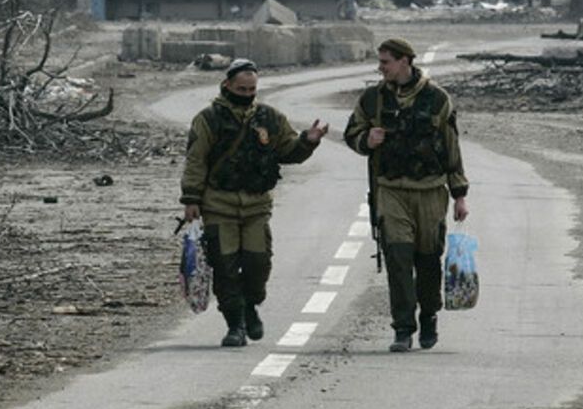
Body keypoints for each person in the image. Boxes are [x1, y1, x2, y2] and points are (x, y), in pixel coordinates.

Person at [181, 58, 329, 347]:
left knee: (258, 263)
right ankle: (234, 324)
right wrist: (191, 198)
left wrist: (308, 141)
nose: (247, 93)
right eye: (241, 88)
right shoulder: (208, 119)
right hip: (218, 204)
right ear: (227, 85)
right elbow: (195, 160)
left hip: (256, 205)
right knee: (224, 266)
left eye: (252, 89)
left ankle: (251, 305)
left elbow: (288, 151)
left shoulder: (270, 118)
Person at [344, 37, 469, 352]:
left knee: (428, 259)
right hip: (391, 189)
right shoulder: (373, 100)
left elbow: (452, 148)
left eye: (386, 62)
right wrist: (366, 141)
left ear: (405, 62)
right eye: (380, 62)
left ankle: (429, 316)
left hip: (429, 191)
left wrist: (459, 195)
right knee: (398, 258)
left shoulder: (437, 99)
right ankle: (403, 328)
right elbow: (351, 133)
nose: (381, 68)